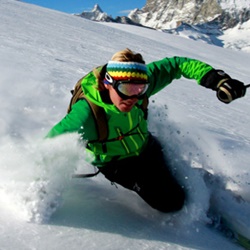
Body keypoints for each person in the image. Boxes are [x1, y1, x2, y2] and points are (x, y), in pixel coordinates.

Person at [46, 48, 246, 213]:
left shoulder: (136, 82)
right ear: (108, 83)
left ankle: (203, 186)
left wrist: (217, 80)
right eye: (126, 89)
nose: (133, 97)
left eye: (140, 90)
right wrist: (36, 187)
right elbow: (48, 147)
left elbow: (177, 64)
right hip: (119, 165)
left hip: (147, 146)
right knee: (172, 203)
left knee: (175, 176)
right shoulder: (87, 114)